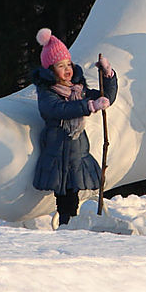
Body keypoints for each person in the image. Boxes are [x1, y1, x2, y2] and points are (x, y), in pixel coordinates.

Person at [32, 28, 117, 227]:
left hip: (77, 152)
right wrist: (88, 106)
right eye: (61, 66)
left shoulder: (79, 89)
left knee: (74, 196)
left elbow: (107, 98)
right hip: (58, 153)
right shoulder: (48, 93)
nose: (67, 69)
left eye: (68, 64)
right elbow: (58, 109)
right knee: (65, 199)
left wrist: (108, 75)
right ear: (50, 70)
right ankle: (65, 228)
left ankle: (72, 228)